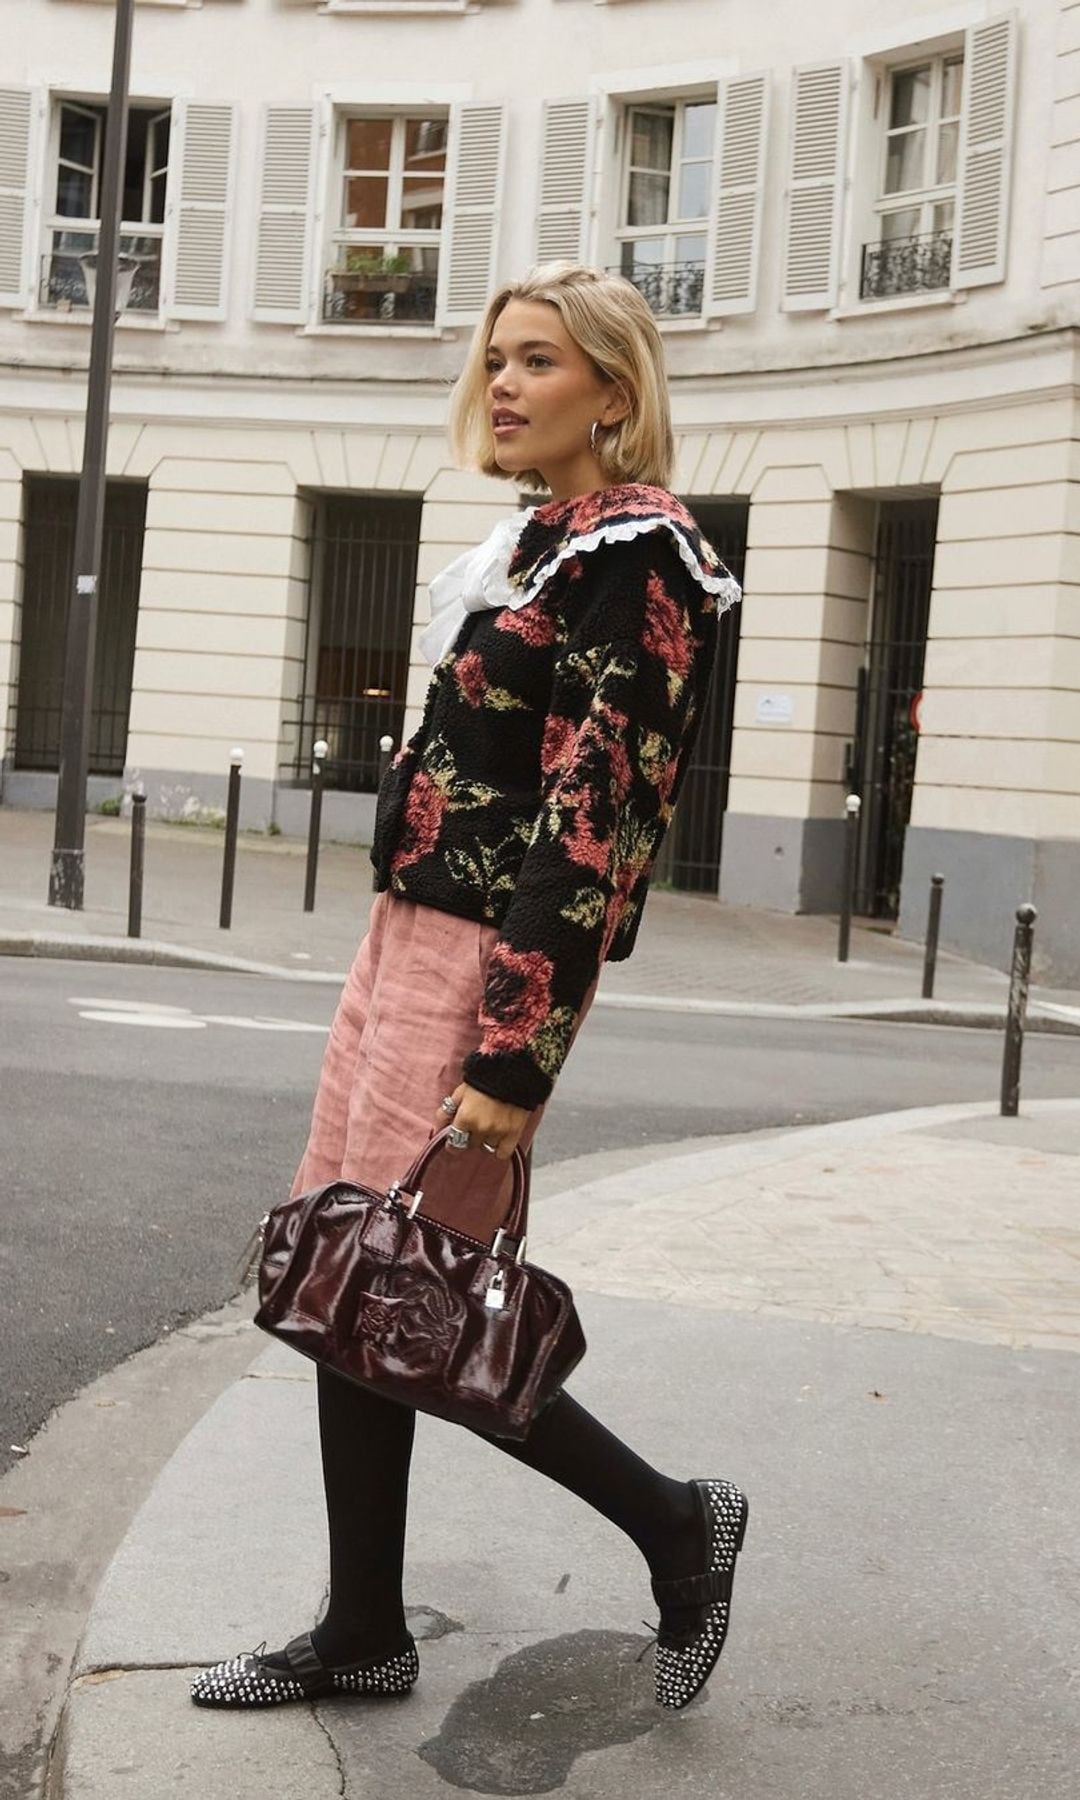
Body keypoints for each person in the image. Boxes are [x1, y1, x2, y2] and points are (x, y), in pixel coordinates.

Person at [191, 262, 748, 1716]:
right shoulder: (539, 542)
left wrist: (515, 1056)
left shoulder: (646, 558)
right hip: (409, 932)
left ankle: (677, 1522)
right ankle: (364, 1626)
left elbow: (599, 815)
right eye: (497, 357)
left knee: (411, 1283)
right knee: (348, 1272)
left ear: (613, 395)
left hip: (487, 957)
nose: (502, 382)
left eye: (539, 362)